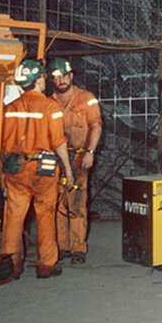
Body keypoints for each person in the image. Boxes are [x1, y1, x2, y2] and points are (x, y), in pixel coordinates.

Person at [0, 59, 75, 279]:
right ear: (38, 80)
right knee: (45, 215)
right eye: (42, 76)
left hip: (15, 169)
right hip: (43, 171)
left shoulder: (10, 109)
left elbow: (3, 144)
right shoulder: (50, 107)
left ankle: (10, 266)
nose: (45, 79)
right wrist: (68, 171)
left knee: (13, 218)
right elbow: (59, 142)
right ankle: (46, 266)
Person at [49, 57, 103, 265]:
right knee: (58, 203)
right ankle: (62, 246)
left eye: (64, 76)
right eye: (56, 77)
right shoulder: (50, 101)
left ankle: (78, 248)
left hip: (79, 156)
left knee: (77, 203)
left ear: (71, 76)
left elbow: (96, 125)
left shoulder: (86, 98)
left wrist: (90, 151)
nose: (61, 80)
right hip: (55, 159)